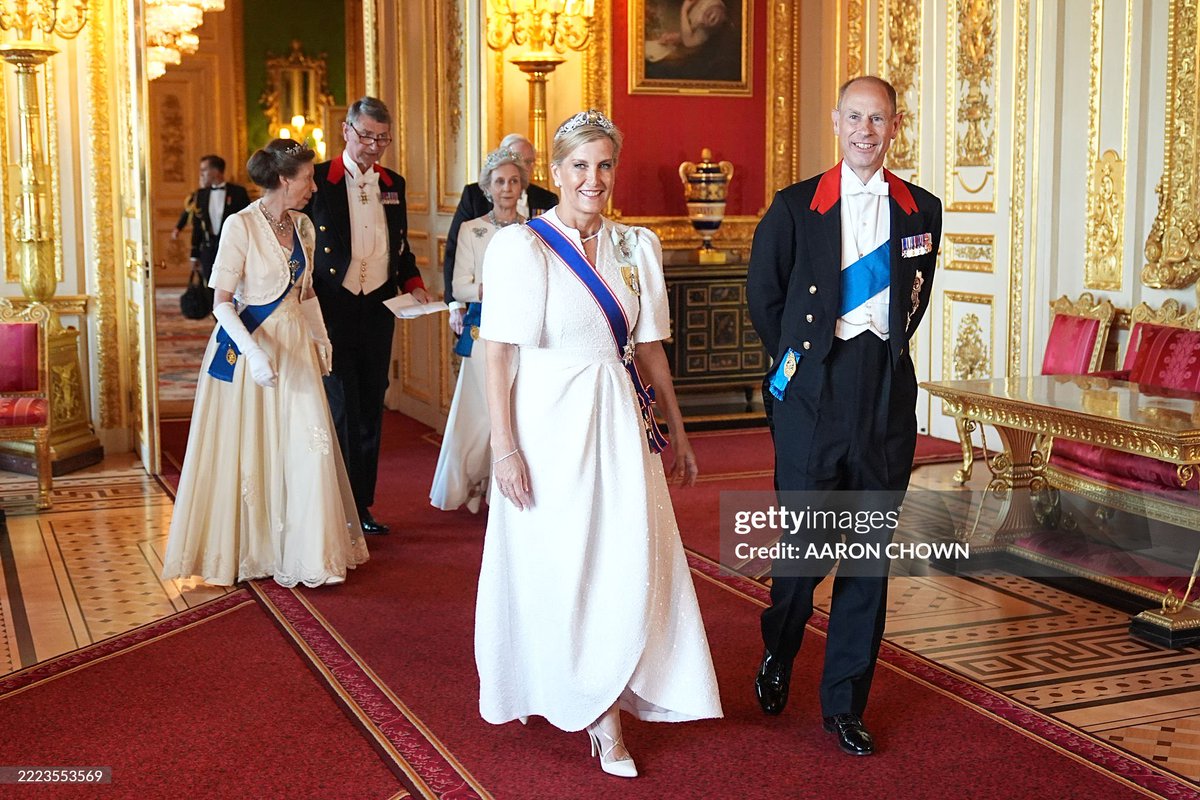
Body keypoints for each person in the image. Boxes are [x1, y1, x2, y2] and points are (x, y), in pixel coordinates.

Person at [474, 109, 723, 779]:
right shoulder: (521, 246)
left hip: (619, 419)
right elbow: (496, 355)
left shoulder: (634, 247)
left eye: (604, 165)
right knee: (565, 561)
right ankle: (596, 713)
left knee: (624, 557)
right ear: (554, 173)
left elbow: (649, 348)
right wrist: (505, 447)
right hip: (549, 420)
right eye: (579, 166)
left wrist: (679, 430)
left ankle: (614, 688)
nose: (593, 178)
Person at [746, 76, 941, 756]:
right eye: (854, 117)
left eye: (878, 119)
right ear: (837, 122)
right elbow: (764, 296)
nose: (865, 129)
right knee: (804, 550)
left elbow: (912, 298)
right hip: (814, 393)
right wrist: (799, 365)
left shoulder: (924, 210)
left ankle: (843, 706)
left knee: (867, 556)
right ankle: (780, 644)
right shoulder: (797, 206)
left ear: (895, 127)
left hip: (884, 395)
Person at [161, 139, 368, 588]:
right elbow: (220, 303)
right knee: (254, 450)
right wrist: (253, 355)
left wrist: (321, 339)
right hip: (250, 349)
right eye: (308, 178)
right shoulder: (241, 226)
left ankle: (309, 553)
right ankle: (254, 550)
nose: (313, 186)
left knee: (308, 445)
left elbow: (306, 291)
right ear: (282, 180)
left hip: (295, 349)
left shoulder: (304, 227)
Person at [304, 97, 430, 535]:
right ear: (346, 130)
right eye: (366, 136)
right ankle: (333, 505)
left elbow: (402, 251)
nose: (374, 146)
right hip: (330, 309)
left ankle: (361, 506)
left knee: (370, 407)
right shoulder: (318, 180)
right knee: (340, 404)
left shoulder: (394, 183)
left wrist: (413, 286)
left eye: (382, 138)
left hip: (377, 309)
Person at [429, 147, 528, 513]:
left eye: (514, 181)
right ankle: (472, 483)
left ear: (522, 187)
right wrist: (495, 289)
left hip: (522, 334)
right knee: (483, 412)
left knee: (516, 411)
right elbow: (461, 287)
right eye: (500, 181)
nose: (506, 188)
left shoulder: (532, 230)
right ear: (487, 187)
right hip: (483, 331)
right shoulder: (473, 230)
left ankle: (504, 489)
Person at [444, 133, 557, 337]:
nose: (507, 188)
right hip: (482, 320)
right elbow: (454, 256)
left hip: (527, 320)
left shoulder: (540, 215)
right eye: (500, 181)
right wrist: (456, 305)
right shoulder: (473, 203)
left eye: (528, 161)